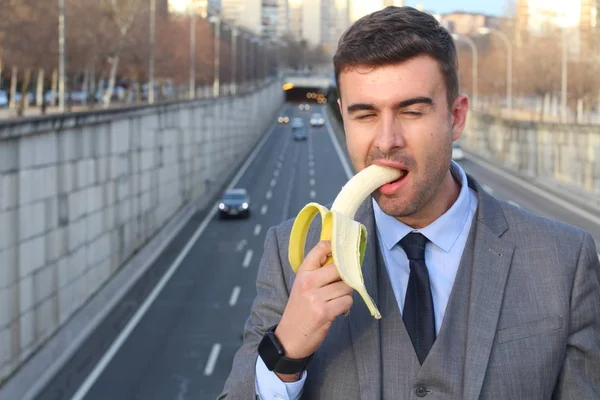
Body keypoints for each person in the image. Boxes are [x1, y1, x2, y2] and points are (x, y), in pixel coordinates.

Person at [219, 6, 600, 399]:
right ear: (343, 120)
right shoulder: (291, 256)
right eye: (365, 115)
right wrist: (285, 352)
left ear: (455, 117)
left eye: (411, 111)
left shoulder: (563, 262)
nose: (386, 141)